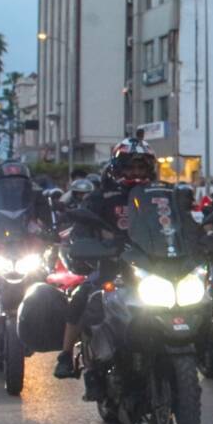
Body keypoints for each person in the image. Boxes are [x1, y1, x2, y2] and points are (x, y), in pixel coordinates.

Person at [54, 138, 155, 378]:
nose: (137, 172)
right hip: (112, 265)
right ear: (118, 167)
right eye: (131, 167)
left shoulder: (158, 196)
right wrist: (93, 244)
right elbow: (82, 229)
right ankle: (66, 356)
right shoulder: (101, 198)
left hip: (151, 266)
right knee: (82, 297)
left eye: (141, 167)